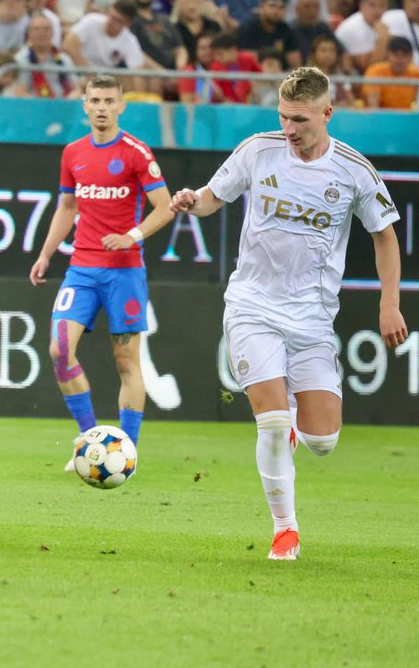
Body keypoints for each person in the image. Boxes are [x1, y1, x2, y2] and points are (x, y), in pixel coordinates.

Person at [171, 67, 407, 560]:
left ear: (327, 113)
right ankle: (285, 529)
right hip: (252, 306)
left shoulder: (354, 170)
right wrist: (194, 202)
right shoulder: (259, 150)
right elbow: (215, 196)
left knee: (323, 441)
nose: (289, 129)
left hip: (313, 319)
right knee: (272, 422)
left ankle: (298, 432)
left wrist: (390, 303)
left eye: (299, 119)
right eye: (283, 117)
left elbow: (384, 236)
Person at [29, 74, 174, 469]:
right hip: (81, 269)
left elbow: (165, 206)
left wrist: (131, 235)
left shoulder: (136, 153)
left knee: (127, 362)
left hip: (124, 272)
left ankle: (127, 451)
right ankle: (90, 441)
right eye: (95, 100)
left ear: (122, 106)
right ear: (85, 104)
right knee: (59, 350)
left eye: (110, 101)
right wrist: (45, 254)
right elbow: (67, 207)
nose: (102, 107)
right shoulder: (73, 153)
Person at [13, 11, 76, 97]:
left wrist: (72, 97)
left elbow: (75, 87)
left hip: (63, 105)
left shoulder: (63, 58)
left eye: (46, 29)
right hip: (33, 106)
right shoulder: (20, 59)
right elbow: (19, 91)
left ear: (53, 33)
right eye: (37, 29)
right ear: (29, 33)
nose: (42, 33)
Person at [237, 0, 302, 68]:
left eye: (281, 7)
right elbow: (245, 60)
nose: (276, 11)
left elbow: (296, 63)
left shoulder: (287, 31)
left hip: (280, 77)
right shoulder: (247, 29)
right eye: (272, 5)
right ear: (262, 6)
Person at [334, 0, 390, 72]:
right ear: (362, 5)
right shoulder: (352, 27)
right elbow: (369, 68)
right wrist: (382, 40)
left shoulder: (382, 22)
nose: (378, 10)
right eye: (372, 5)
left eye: (382, 6)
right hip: (345, 78)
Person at [363, 35, 419, 108]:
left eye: (403, 56)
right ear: (388, 55)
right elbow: (373, 107)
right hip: (381, 116)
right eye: (396, 55)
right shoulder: (375, 72)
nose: (399, 60)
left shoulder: (416, 73)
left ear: (410, 57)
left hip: (406, 117)